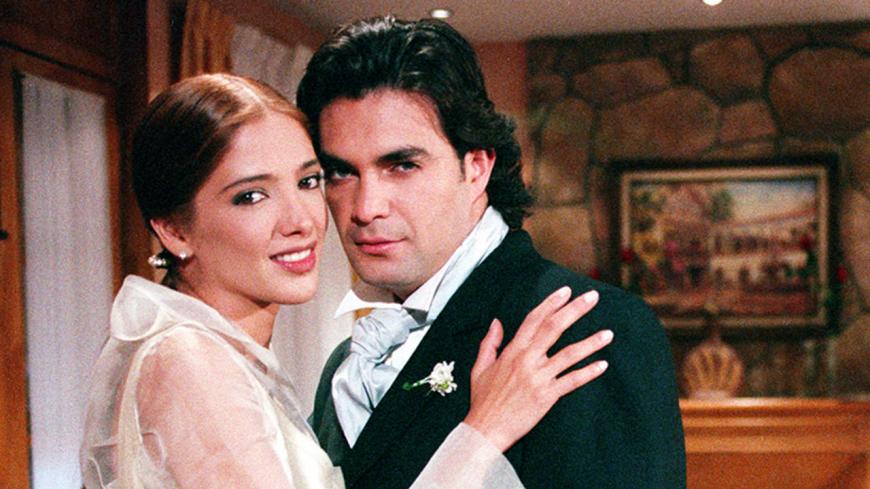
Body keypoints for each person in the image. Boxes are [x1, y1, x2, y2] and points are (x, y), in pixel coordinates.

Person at [79, 73, 613, 489]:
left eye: (309, 181)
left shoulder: (218, 354)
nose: (301, 220)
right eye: (251, 196)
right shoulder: (189, 360)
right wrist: (484, 432)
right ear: (174, 230)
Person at [297, 16, 686, 489]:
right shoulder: (345, 367)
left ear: (477, 166)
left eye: (402, 165)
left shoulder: (588, 327)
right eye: (341, 173)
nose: (365, 208)